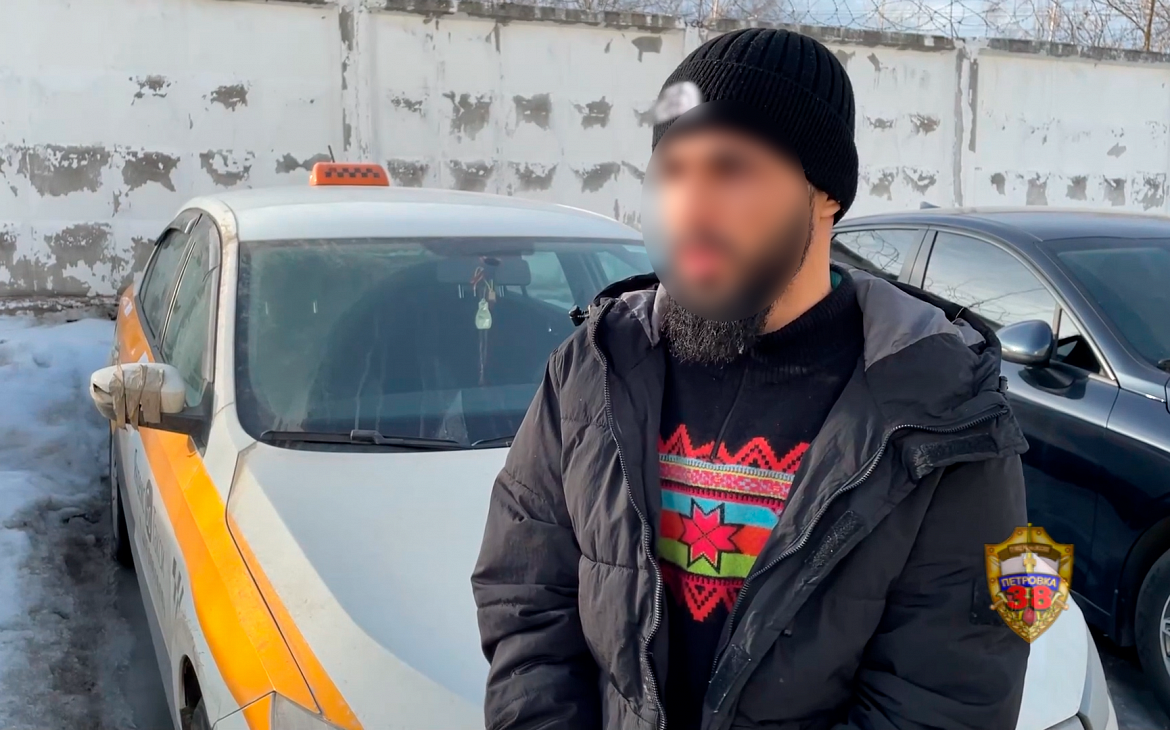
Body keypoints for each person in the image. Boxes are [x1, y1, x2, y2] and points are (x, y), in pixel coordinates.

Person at [472, 27, 1030, 730]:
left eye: (730, 169)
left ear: (825, 195)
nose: (689, 207)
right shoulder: (595, 366)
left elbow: (946, 698)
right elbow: (526, 600)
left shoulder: (944, 412)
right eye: (672, 172)